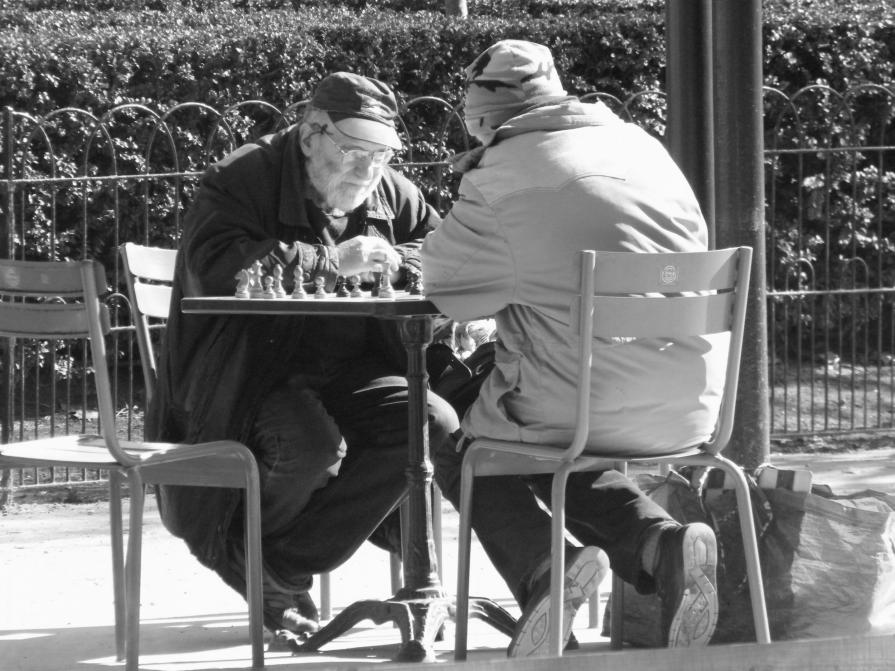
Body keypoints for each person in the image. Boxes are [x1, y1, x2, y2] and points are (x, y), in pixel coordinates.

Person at [421, 40, 721, 656]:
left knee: (463, 440)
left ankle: (546, 572)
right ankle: (662, 545)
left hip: (579, 401)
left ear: (482, 119)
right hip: (692, 404)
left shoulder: (500, 176)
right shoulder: (644, 146)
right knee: (563, 440)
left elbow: (444, 287)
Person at [146, 72, 459, 637]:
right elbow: (214, 264)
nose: (367, 169)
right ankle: (270, 573)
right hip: (251, 368)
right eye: (352, 151)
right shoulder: (243, 177)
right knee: (310, 445)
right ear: (311, 132)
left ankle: (274, 567)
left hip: (350, 365)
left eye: (381, 153)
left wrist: (400, 262)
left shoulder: (390, 188)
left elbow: (439, 243)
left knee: (428, 420)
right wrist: (331, 262)